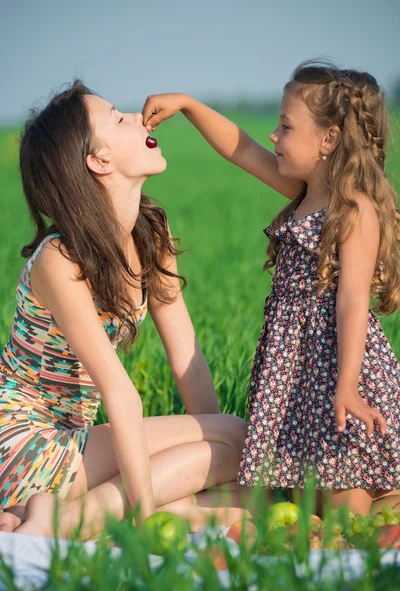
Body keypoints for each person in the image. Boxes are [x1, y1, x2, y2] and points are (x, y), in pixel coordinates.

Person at [141, 59, 400, 516]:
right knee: (304, 503)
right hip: (295, 375)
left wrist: (346, 385)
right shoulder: (302, 191)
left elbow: (353, 301)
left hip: (336, 367)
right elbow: (239, 148)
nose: (273, 136)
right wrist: (188, 105)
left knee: (348, 498)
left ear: (329, 139)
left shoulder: (354, 208)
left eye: (285, 126)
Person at [0, 81, 250, 540]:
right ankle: (73, 519)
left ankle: (59, 514)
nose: (138, 118)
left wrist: (219, 457)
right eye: (118, 118)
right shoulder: (61, 260)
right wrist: (222, 445)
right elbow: (120, 394)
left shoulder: (150, 235)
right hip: (24, 443)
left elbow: (187, 360)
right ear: (99, 160)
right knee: (237, 438)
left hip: (76, 446)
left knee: (239, 476)